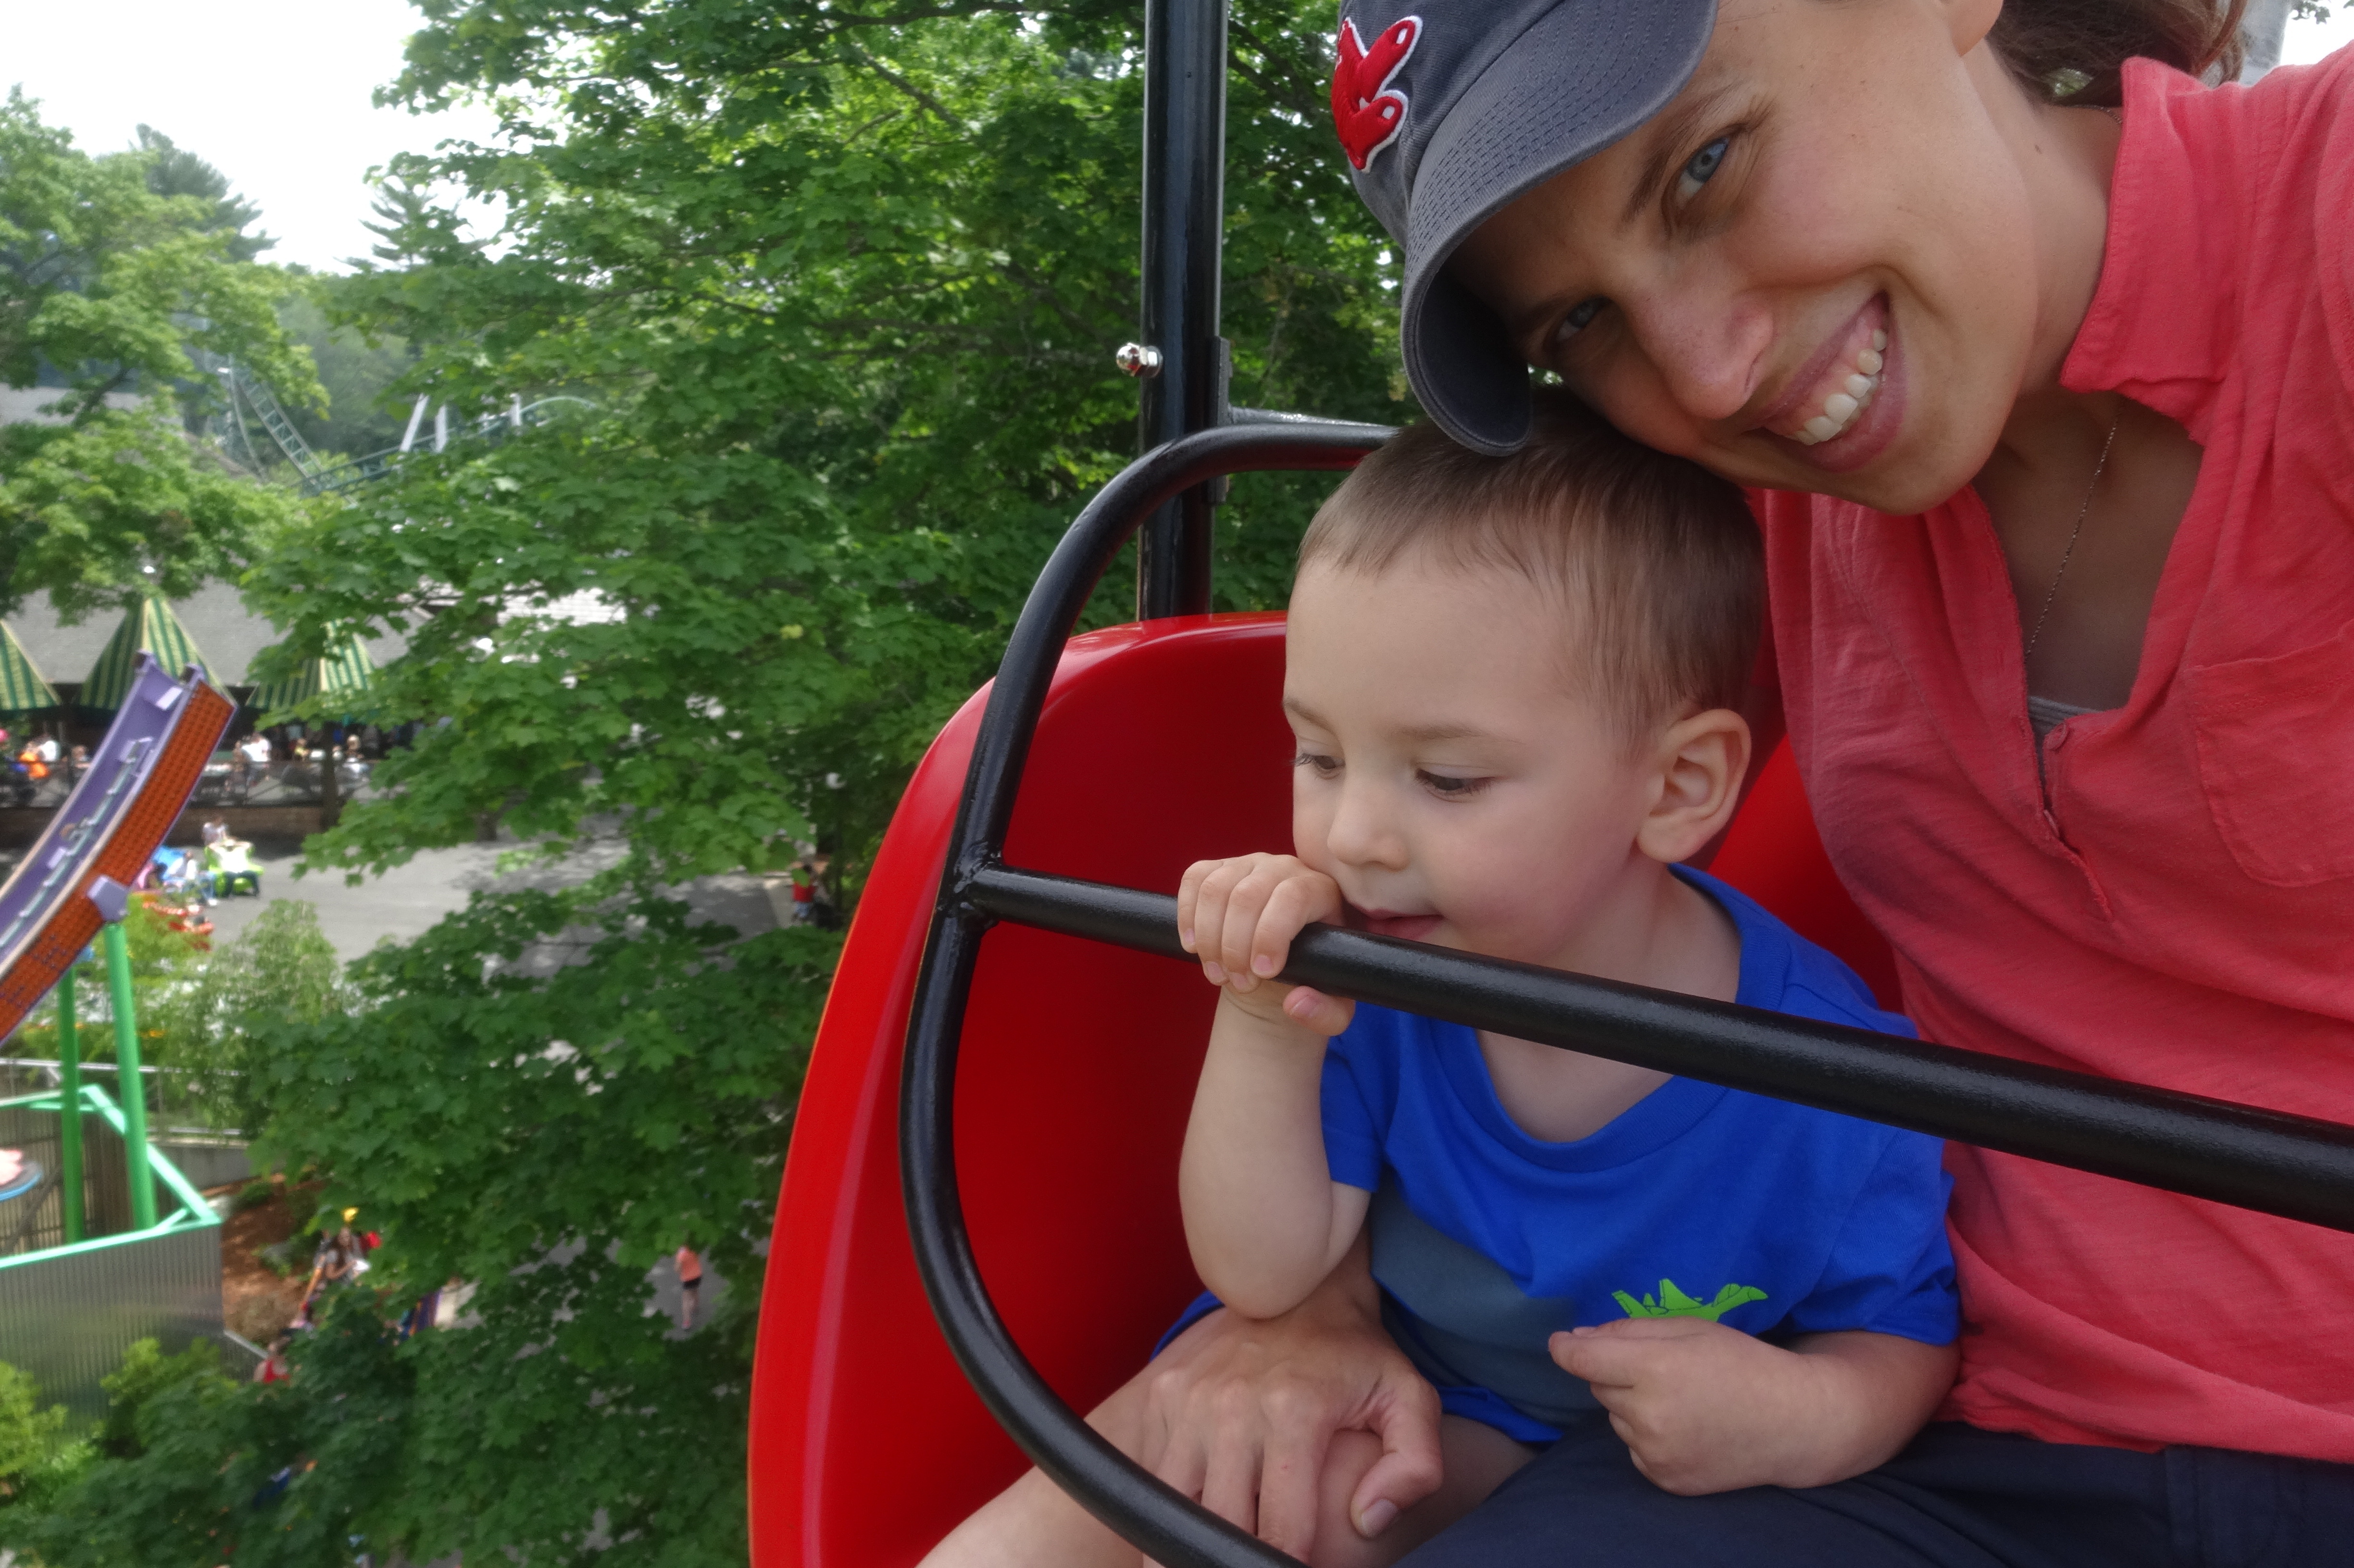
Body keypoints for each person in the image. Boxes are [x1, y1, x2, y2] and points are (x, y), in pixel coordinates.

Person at [1132, 3, 2354, 1564]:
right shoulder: (1767, 474)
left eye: (1706, 165)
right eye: (1581, 323)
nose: (1705, 376)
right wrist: (1323, 1296)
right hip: (1942, 1426)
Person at [926, 402, 1962, 1567]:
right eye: (1319, 755)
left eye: (1448, 777)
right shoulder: (1378, 963)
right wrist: (1265, 1020)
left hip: (1550, 1450)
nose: (1353, 835)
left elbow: (1903, 1331)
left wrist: (1813, 1411)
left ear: (1676, 785)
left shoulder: (1828, 1078)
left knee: (1308, 1512)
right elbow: (1263, 1270)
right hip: (1355, 1360)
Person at [676, 1243, 704, 1331]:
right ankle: (695, 1307)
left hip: (688, 1279)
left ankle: (687, 1321)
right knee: (695, 1291)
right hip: (697, 1275)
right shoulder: (695, 1247)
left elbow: (678, 1268)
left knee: (686, 1300)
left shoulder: (682, 1253)